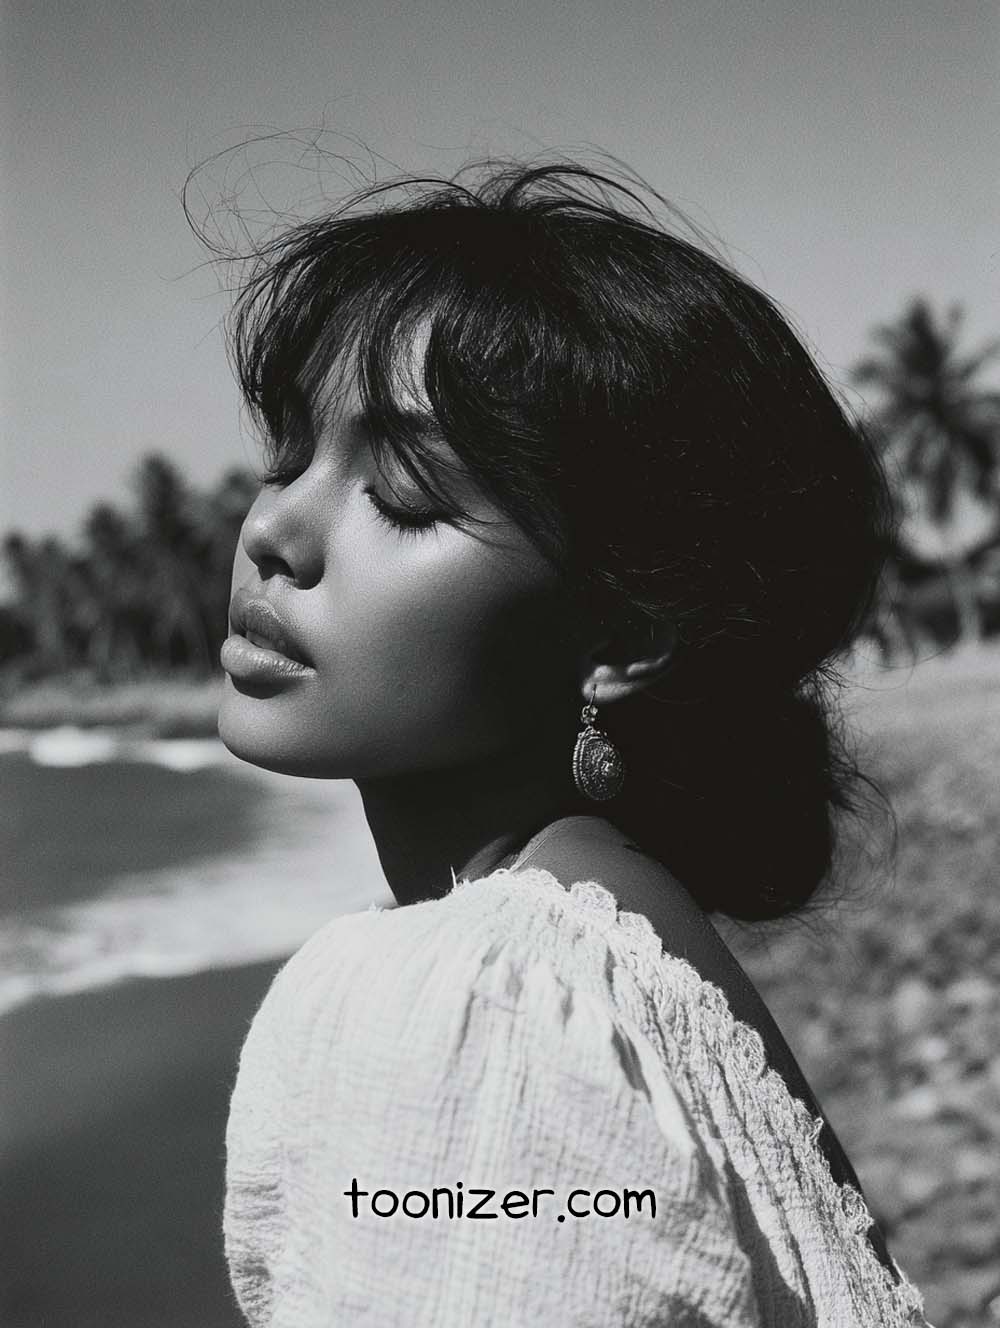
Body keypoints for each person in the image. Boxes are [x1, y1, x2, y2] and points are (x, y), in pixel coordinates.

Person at [206, 158, 930, 1325]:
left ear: (623, 631)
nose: (273, 527)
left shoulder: (473, 1005)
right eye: (288, 452)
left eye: (399, 491)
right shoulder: (623, 934)